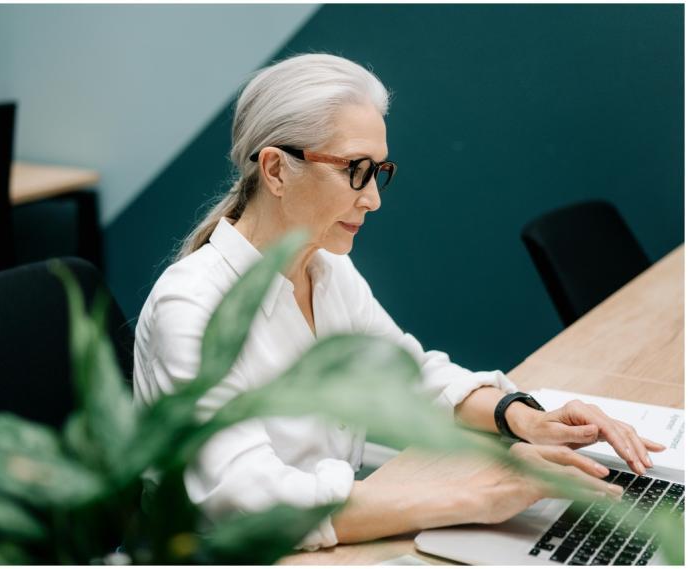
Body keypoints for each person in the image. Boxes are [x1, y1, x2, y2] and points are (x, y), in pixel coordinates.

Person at [132, 53, 665, 550]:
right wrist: (477, 496)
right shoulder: (193, 308)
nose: (373, 198)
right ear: (274, 169)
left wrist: (521, 415)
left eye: (380, 171)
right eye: (355, 170)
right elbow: (248, 503)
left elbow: (409, 376)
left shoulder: (326, 267)